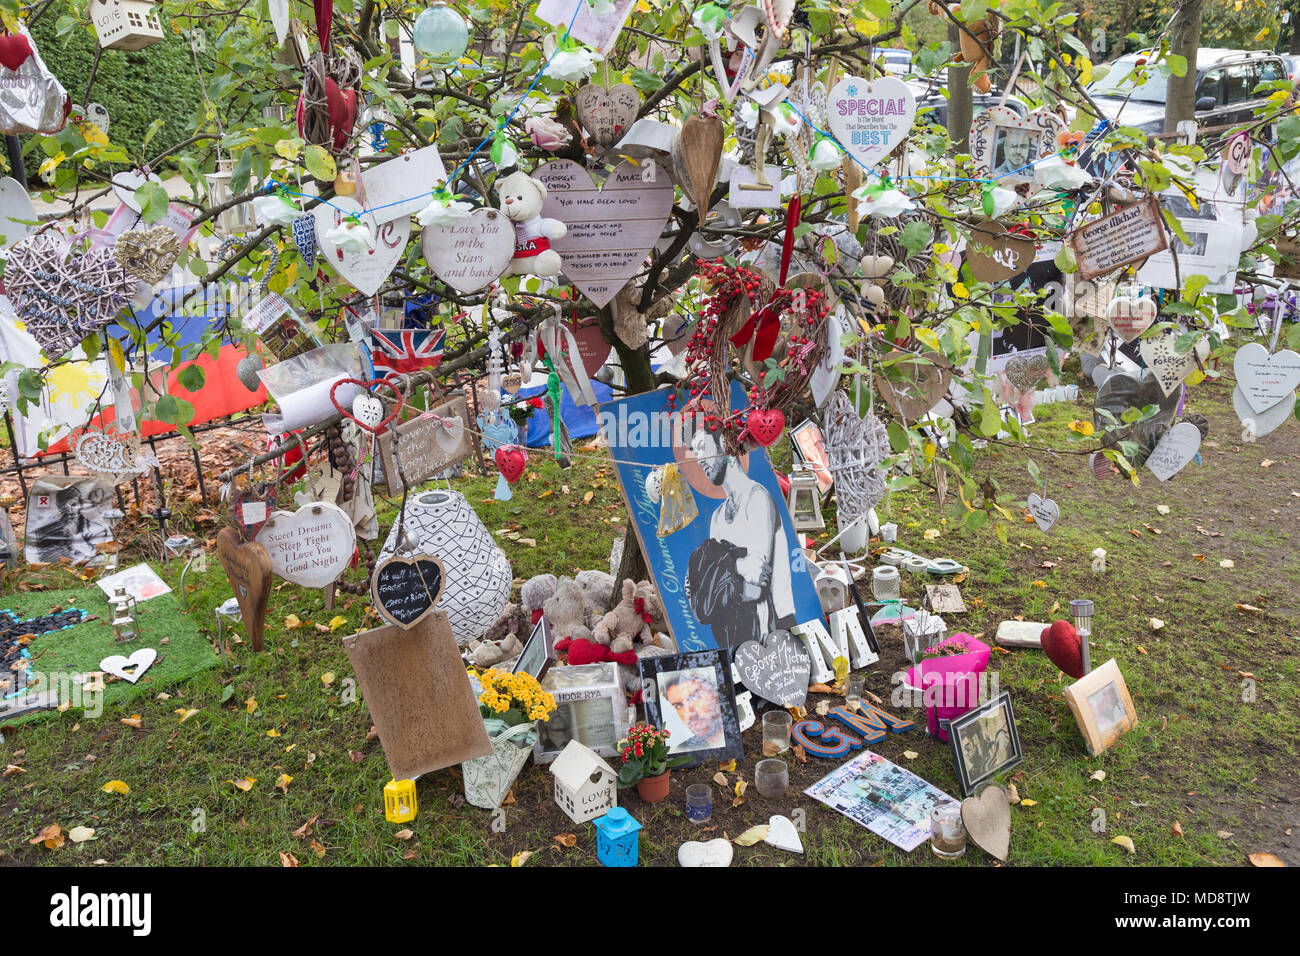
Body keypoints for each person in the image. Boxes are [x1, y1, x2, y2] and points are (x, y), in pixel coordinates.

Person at [684, 427, 796, 652]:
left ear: (725, 447)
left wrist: (717, 571)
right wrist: (731, 568)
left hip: (774, 625)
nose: (701, 462)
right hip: (733, 630)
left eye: (703, 450)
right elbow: (719, 581)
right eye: (696, 455)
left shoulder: (757, 497)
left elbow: (756, 579)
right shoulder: (716, 518)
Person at [662, 672, 726, 751]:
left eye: (695, 697)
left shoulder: (732, 734)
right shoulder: (684, 750)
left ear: (715, 694)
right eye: (679, 706)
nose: (689, 714)